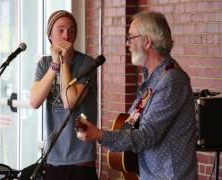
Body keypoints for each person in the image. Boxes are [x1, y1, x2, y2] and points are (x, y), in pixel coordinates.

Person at [76, 11, 198, 180]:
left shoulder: (171, 80)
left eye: (131, 37)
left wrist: (100, 135)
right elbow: (132, 123)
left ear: (147, 42)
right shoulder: (153, 78)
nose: (128, 44)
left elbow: (147, 135)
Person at [27, 10, 98, 180]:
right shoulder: (44, 64)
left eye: (71, 30)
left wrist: (64, 61)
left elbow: (69, 101)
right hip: (52, 157)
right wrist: (54, 65)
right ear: (50, 35)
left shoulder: (87, 63)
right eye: (61, 30)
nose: (67, 35)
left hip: (80, 159)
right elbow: (34, 102)